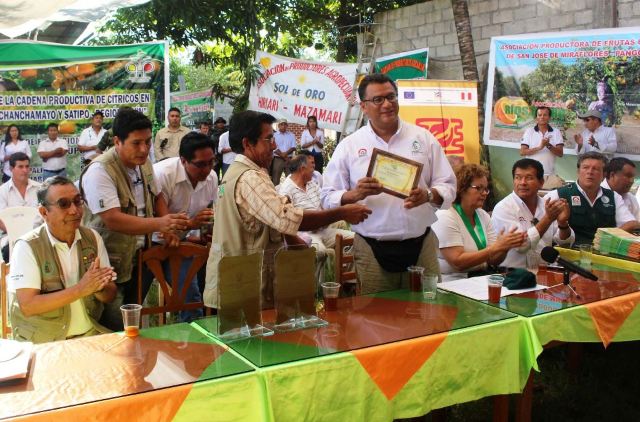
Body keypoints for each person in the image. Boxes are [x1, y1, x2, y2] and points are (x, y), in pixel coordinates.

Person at [204, 110, 371, 309]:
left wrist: (293, 240)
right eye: (268, 139)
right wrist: (341, 212)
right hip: (244, 285)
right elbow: (286, 218)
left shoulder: (239, 173)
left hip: (239, 279)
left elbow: (270, 218)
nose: (274, 145)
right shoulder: (249, 178)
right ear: (247, 143)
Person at [321, 73, 456, 294]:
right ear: (364, 107)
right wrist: (354, 195)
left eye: (391, 97)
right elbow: (326, 197)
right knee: (378, 313)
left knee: (430, 309)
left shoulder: (423, 138)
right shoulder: (350, 146)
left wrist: (428, 195)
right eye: (378, 99)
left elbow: (448, 185)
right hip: (371, 250)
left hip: (422, 245)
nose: (387, 104)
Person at [80, 107, 189, 330]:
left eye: (148, 142)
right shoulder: (100, 170)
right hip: (109, 263)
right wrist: (161, 223)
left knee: (132, 323)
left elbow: (157, 195)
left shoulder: (144, 162)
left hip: (141, 258)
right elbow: (113, 219)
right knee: (111, 327)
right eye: (136, 143)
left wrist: (168, 226)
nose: (144, 149)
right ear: (117, 142)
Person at [8, 176, 117, 343]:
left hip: (90, 336)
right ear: (44, 212)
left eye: (77, 201)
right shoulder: (27, 247)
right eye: (64, 204)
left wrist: (98, 288)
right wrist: (82, 289)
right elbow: (28, 306)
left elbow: (110, 294)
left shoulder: (92, 238)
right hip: (44, 344)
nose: (74, 210)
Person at [153, 132, 218, 322]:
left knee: (192, 298)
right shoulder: (163, 174)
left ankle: (194, 336)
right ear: (183, 160)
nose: (207, 169)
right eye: (201, 164)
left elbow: (209, 214)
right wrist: (191, 224)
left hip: (181, 243)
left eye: (211, 162)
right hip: (153, 243)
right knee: (137, 302)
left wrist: (205, 232)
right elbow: (163, 224)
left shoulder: (212, 178)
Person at [431, 164, 525, 281]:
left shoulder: (483, 215)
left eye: (485, 189)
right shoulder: (445, 215)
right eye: (478, 188)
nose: (484, 193)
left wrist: (504, 247)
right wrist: (495, 248)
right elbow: (457, 262)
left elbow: (493, 260)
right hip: (453, 282)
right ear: (461, 189)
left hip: (481, 279)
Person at [278, 154, 353, 283]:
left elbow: (324, 203)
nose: (314, 169)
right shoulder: (286, 190)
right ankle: (319, 289)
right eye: (311, 167)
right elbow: (288, 221)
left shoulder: (312, 183)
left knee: (353, 239)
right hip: (305, 235)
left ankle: (347, 282)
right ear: (302, 169)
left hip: (322, 229)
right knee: (320, 251)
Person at [491, 159, 574, 270]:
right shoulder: (504, 208)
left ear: (541, 182)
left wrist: (563, 223)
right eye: (518, 177)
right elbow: (521, 246)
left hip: (544, 272)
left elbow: (566, 242)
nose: (522, 182)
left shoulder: (546, 205)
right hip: (512, 274)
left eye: (529, 178)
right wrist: (548, 218)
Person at [545, 152, 639, 245]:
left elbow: (632, 224)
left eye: (596, 169)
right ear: (578, 171)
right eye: (585, 167)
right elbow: (552, 238)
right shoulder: (557, 195)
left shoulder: (613, 197)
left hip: (604, 252)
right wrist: (563, 224)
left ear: (604, 175)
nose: (590, 172)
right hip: (570, 251)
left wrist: (606, 241)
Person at [0, 152, 42, 262]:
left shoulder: (39, 189)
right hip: (11, 237)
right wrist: (18, 232)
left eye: (27, 166)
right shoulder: (2, 191)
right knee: (10, 252)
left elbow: (46, 214)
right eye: (20, 167)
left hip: (38, 235)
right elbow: (1, 220)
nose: (25, 170)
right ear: (11, 169)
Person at [519, 106, 564, 189]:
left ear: (549, 117)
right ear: (536, 117)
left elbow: (560, 153)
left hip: (549, 175)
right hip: (531, 174)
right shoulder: (529, 131)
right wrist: (540, 147)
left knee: (547, 196)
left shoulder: (556, 132)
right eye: (539, 115)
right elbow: (522, 152)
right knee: (531, 196)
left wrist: (548, 145)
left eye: (545, 115)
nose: (542, 117)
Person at [271, 119, 297, 186]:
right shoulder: (274, 135)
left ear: (287, 126)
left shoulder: (291, 135)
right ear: (278, 126)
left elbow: (293, 147)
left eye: (285, 124)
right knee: (275, 180)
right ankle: (275, 192)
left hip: (289, 159)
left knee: (290, 180)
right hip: (278, 159)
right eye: (281, 124)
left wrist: (285, 154)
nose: (283, 126)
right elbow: (273, 148)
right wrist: (284, 156)